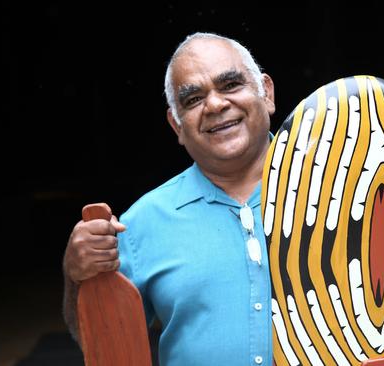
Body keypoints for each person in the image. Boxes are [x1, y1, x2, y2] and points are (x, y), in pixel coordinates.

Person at [62, 32, 276, 366]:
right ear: (176, 125)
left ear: (267, 94)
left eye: (231, 85)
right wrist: (77, 275)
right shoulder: (139, 224)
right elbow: (98, 341)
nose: (216, 105)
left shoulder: (337, 190)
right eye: (193, 100)